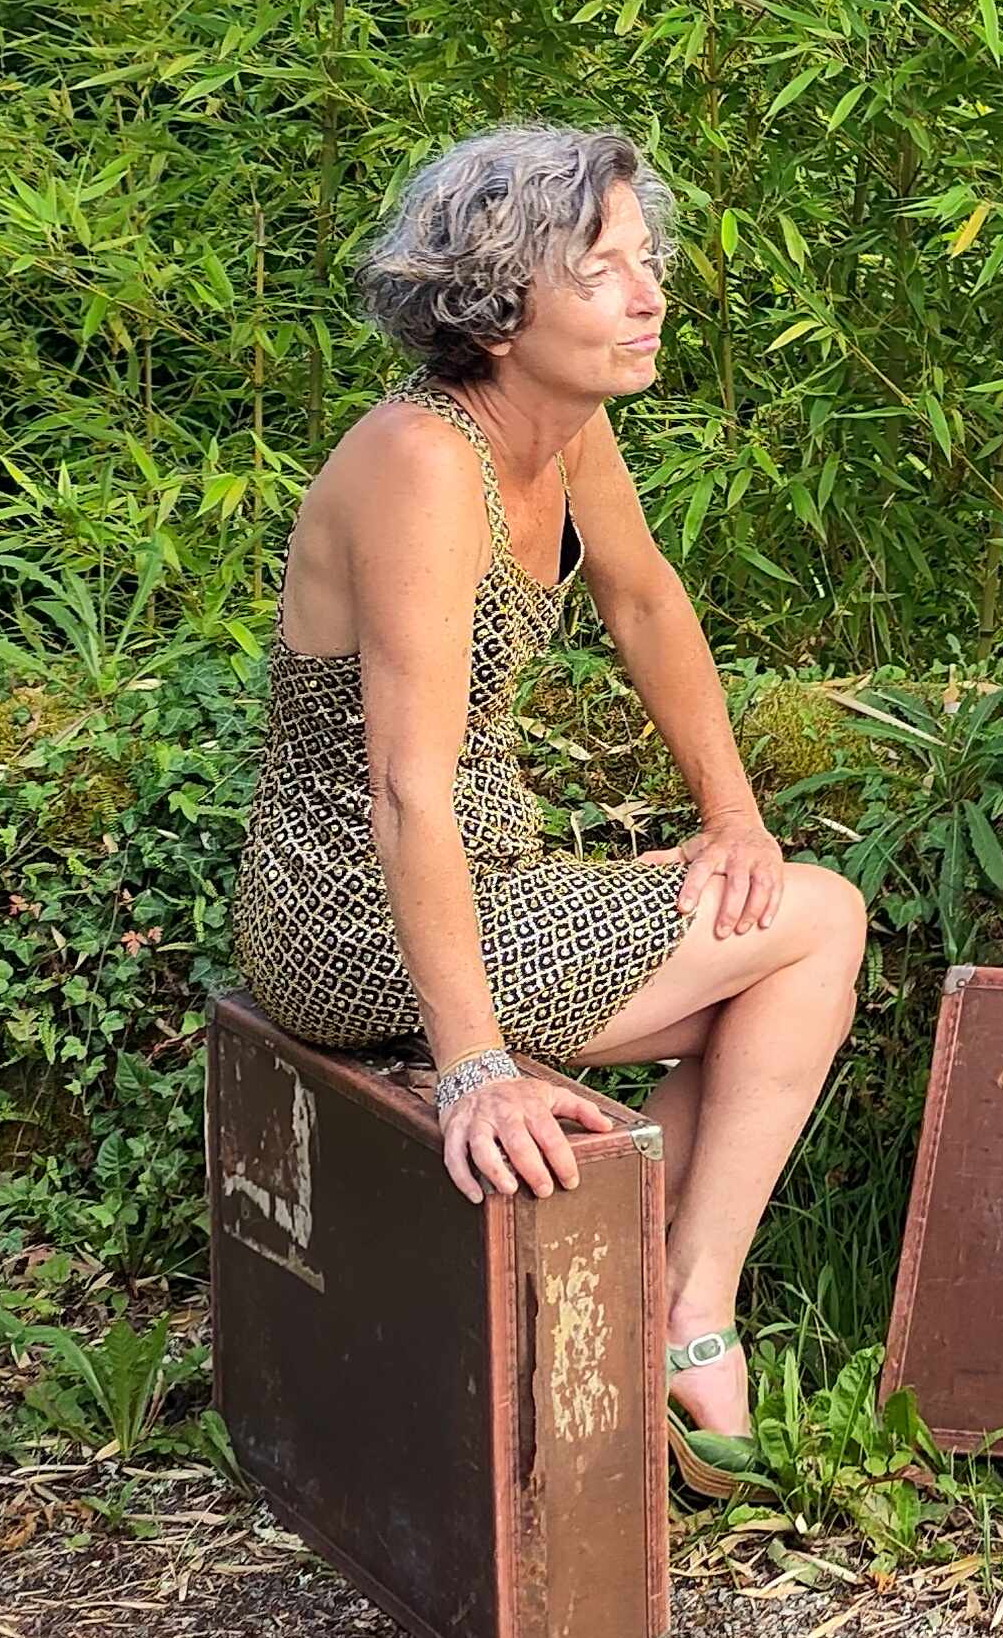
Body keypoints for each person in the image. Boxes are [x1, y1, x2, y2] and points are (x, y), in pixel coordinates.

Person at [233, 124, 869, 1498]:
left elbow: (645, 601)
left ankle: (646, 1303)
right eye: (603, 273)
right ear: (494, 307)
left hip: (473, 876)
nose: (651, 295)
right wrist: (474, 1066)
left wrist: (734, 813)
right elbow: (407, 786)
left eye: (648, 262)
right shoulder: (423, 459)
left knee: (765, 940)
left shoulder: (562, 433)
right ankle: (689, 1311)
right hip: (351, 909)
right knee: (815, 930)